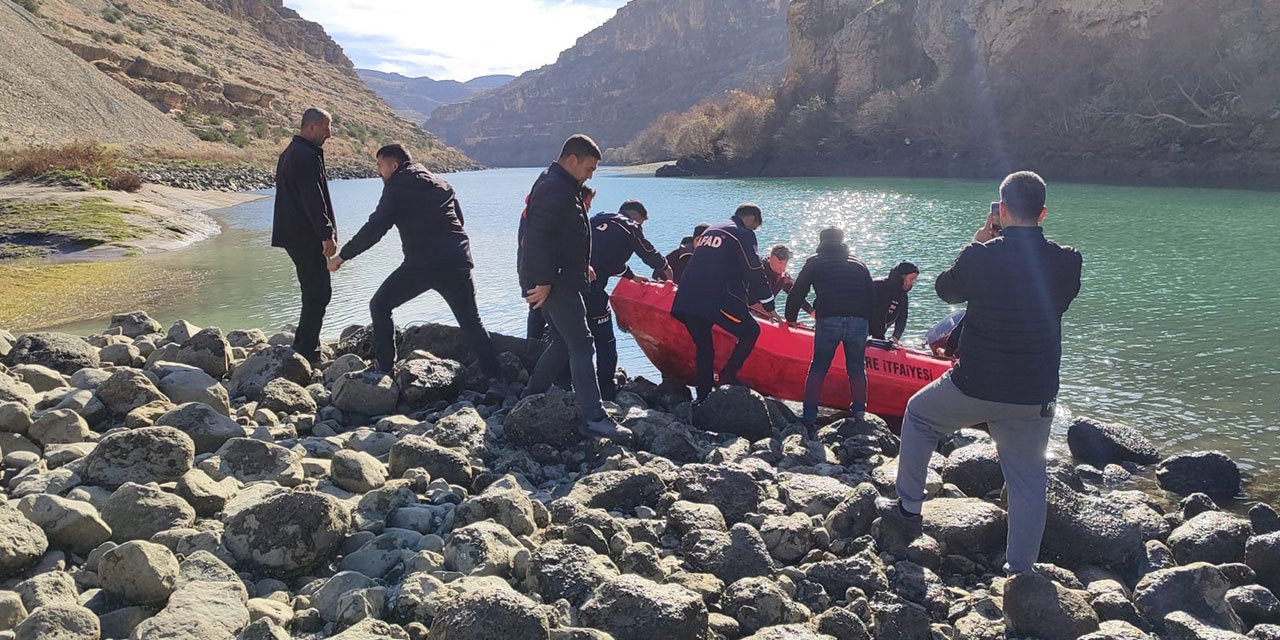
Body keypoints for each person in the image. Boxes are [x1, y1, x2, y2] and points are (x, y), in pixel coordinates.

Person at [876, 171, 1083, 576]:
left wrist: (978, 242)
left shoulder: (982, 255)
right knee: (1027, 480)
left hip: (975, 384)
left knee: (918, 414)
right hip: (1033, 392)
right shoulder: (1068, 261)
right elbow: (1058, 300)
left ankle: (908, 510)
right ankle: (1020, 573)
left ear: (1001, 211)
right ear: (1042, 213)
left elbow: (946, 290)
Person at [326, 144, 504, 390]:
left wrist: (342, 257)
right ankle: (495, 378)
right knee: (472, 321)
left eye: (379, 165)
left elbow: (375, 229)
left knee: (380, 305)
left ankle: (385, 367)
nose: (378, 171)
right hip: (456, 261)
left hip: (421, 265)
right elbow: (459, 221)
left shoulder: (396, 188)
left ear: (394, 165)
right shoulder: (442, 183)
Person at [518, 134, 631, 442]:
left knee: (561, 343)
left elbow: (562, 237)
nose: (591, 174)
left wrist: (582, 267)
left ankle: (530, 395)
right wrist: (543, 282)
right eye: (589, 167)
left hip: (560, 278)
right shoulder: (555, 188)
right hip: (556, 283)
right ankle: (594, 417)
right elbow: (536, 237)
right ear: (572, 160)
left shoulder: (559, 184)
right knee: (583, 345)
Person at [671, 204, 773, 401]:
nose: (754, 231)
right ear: (751, 218)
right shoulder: (741, 233)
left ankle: (703, 396)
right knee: (751, 331)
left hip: (686, 298)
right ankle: (728, 376)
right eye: (755, 226)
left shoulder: (713, 229)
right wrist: (768, 303)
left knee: (704, 347)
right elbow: (753, 268)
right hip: (714, 299)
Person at [785, 228, 875, 429]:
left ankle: (809, 418)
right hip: (858, 320)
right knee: (857, 369)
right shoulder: (858, 263)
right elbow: (871, 296)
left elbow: (798, 291)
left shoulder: (815, 262)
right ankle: (859, 413)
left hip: (829, 319)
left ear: (821, 241)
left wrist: (790, 318)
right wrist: (871, 326)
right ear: (843, 242)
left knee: (819, 367)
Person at [585, 199, 671, 400]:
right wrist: (665, 266)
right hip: (592, 290)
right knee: (605, 340)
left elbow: (607, 260)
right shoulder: (629, 226)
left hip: (566, 287)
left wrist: (631, 276)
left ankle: (562, 381)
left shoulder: (596, 220)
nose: (640, 227)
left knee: (570, 337)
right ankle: (606, 389)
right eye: (641, 223)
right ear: (635, 217)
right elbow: (648, 252)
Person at [272, 108, 337, 364]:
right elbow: (312, 198)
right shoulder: (305, 155)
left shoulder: (291, 152)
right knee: (318, 291)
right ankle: (306, 350)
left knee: (313, 288)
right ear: (311, 127)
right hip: (305, 235)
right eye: (325, 128)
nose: (329, 134)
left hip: (295, 234)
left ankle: (306, 343)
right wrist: (326, 233)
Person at [527, 186, 597, 345]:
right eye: (586, 206)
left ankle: (533, 353)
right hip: (545, 278)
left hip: (542, 276)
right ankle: (534, 356)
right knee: (543, 318)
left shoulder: (549, 212)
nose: (587, 212)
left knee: (541, 319)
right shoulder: (559, 217)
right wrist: (544, 281)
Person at [871, 261, 919, 342]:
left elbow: (902, 318)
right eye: (911, 279)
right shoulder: (877, 285)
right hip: (862, 331)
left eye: (915, 279)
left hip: (879, 334)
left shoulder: (902, 296)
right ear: (902, 277)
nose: (912, 283)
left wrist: (895, 337)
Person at [761, 244, 812, 318]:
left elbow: (796, 295)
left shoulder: (783, 277)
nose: (782, 266)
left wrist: (811, 311)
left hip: (766, 311)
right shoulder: (759, 270)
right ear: (771, 257)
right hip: (749, 308)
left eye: (785, 263)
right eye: (780, 263)